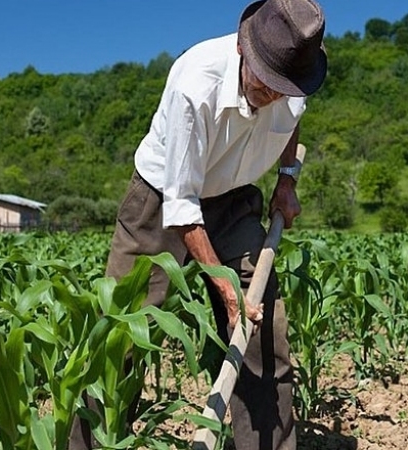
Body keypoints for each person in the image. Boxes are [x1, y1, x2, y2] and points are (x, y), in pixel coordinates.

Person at [69, 0, 327, 449]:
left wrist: (286, 181)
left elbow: (292, 122)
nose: (274, 95)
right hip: (161, 200)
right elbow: (182, 206)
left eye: (283, 88)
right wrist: (226, 290)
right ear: (245, 51)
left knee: (263, 328)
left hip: (233, 199)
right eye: (266, 84)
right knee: (120, 336)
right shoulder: (196, 83)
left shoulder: (294, 76)